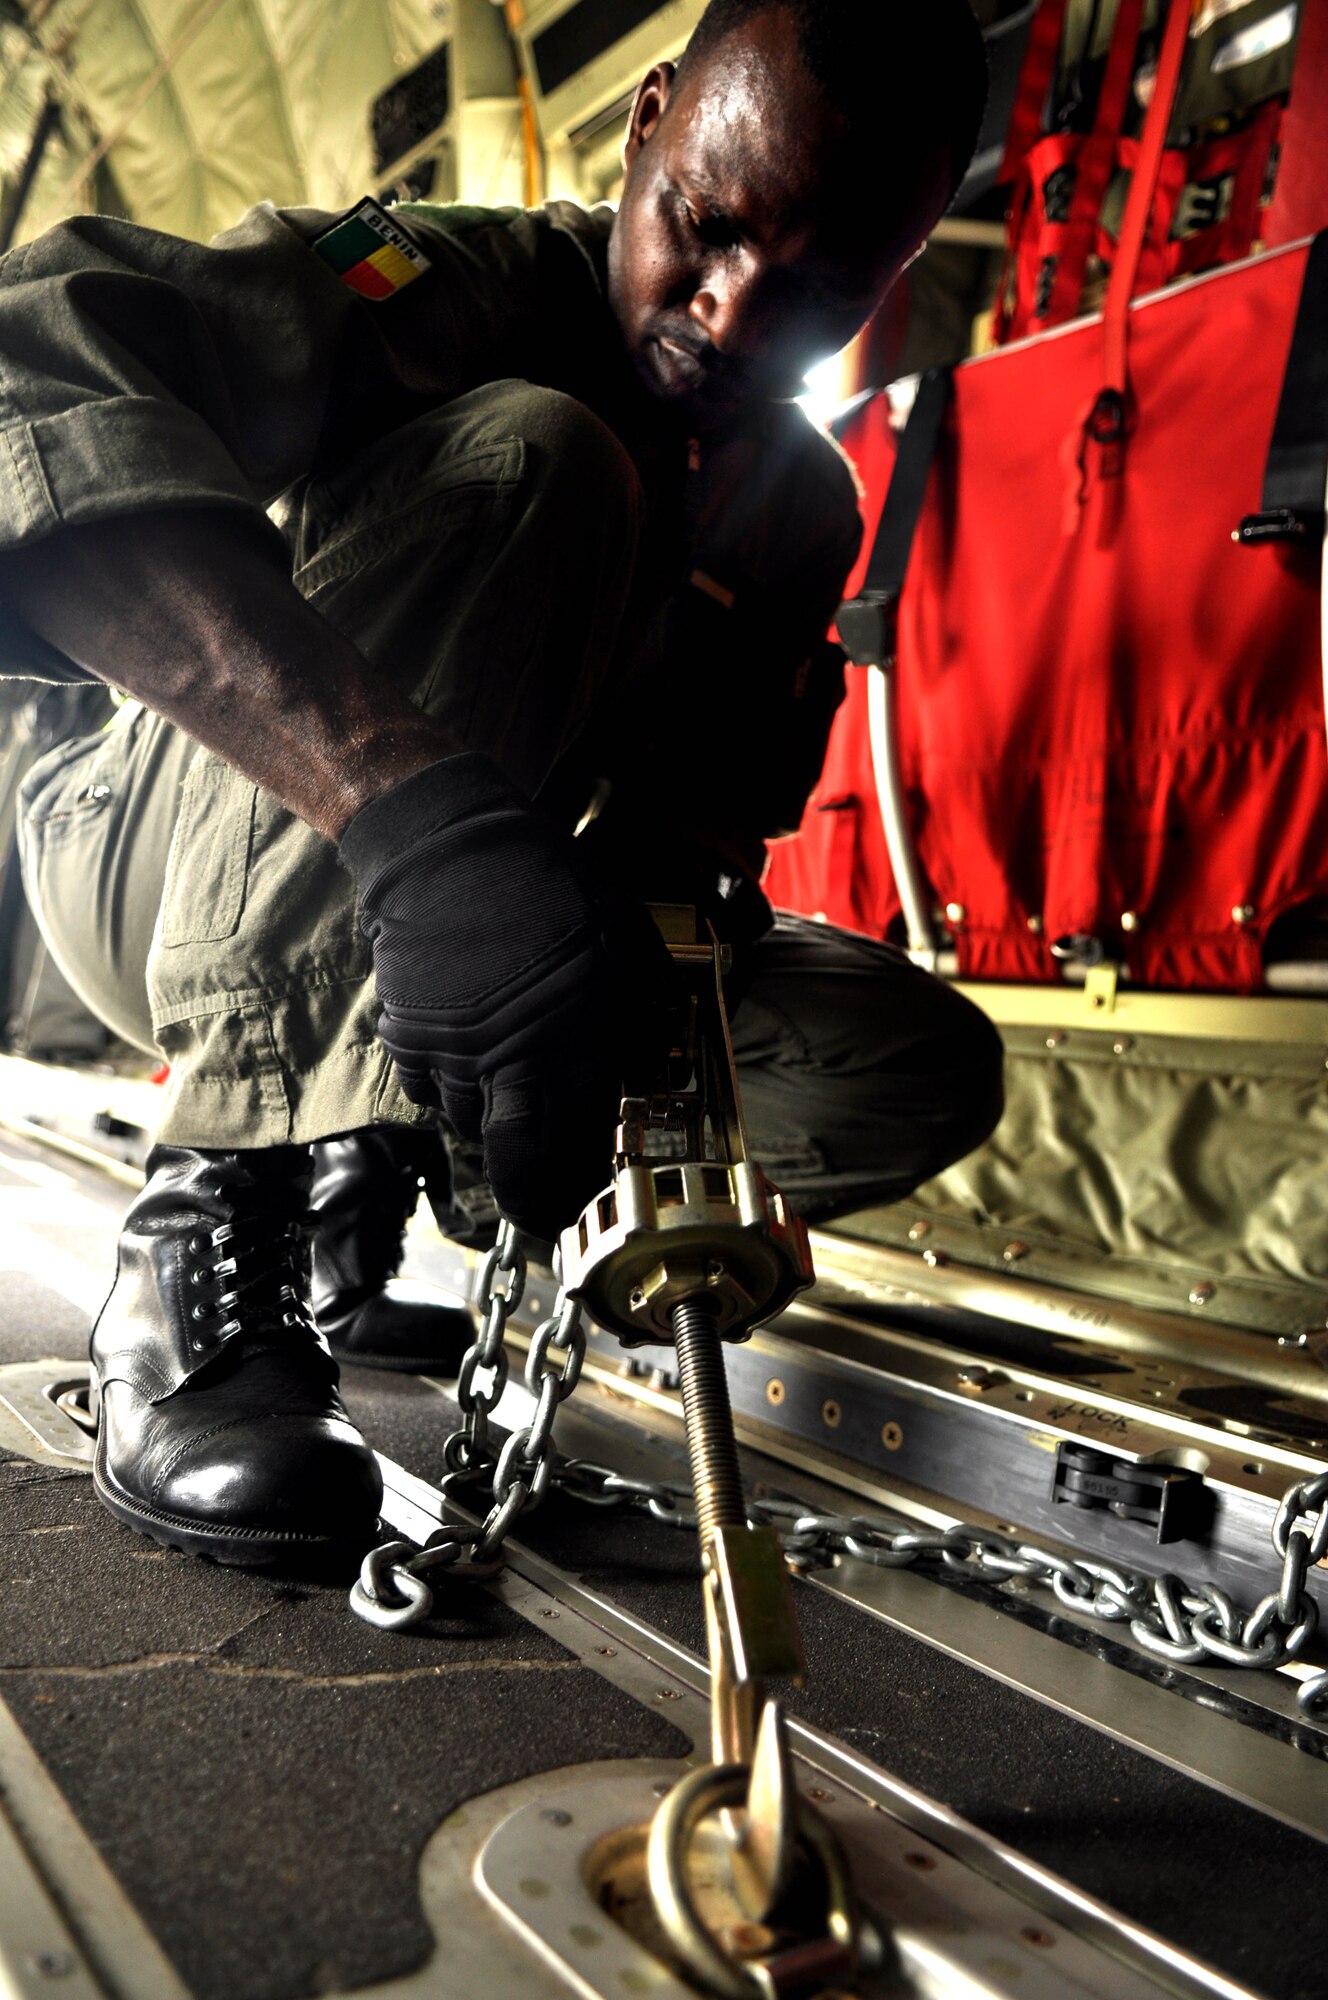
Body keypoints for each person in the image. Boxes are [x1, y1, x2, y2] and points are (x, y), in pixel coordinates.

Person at [0, 0, 1003, 1567]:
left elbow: (693, 831)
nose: (735, 321)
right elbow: (34, 361)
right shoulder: (443, 291)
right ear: (646, 120)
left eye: (817, 293)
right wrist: (412, 820)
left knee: (906, 1064)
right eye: (710, 230)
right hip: (148, 849)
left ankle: (386, 1159)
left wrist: (606, 997)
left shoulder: (802, 517)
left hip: (458, 939)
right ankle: (212, 1230)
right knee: (549, 461)